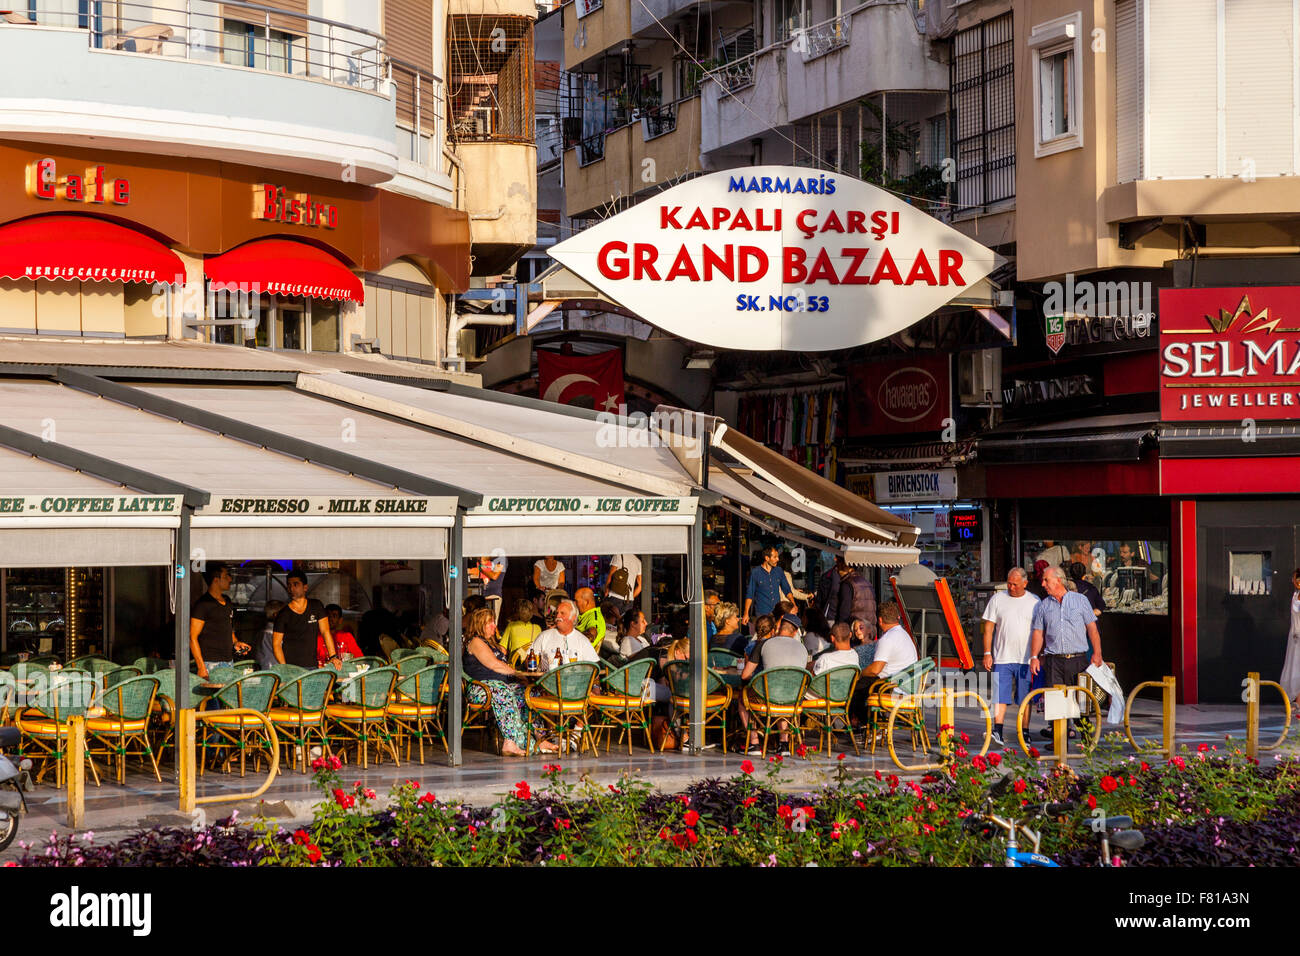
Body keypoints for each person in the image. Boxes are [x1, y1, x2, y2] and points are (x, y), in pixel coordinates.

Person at [462, 606, 558, 756]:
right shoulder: (475, 641)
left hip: (500, 686)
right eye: (490, 623)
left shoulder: (492, 643)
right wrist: (517, 673)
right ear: (479, 624)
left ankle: (539, 737)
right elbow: (494, 664)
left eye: (494, 622)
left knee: (528, 693)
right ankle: (509, 743)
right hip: (480, 689)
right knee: (502, 691)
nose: (494, 626)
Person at [1029, 566, 1104, 740]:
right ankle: (1059, 743)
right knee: (1055, 705)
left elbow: (1092, 629)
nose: (1043, 584)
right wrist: (1034, 657)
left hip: (1077, 660)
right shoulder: (1044, 605)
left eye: (1046, 580)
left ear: (1059, 580)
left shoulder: (1080, 601)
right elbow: (1038, 633)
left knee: (1080, 704)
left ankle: (1087, 740)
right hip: (1054, 661)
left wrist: (1097, 653)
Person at [980, 568, 1040, 748]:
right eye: (1009, 583)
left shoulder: (1034, 601)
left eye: (1015, 584)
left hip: (1025, 658)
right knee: (1000, 695)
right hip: (1002, 656)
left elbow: (1039, 630)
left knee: (1025, 697)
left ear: (1024, 583)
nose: (1011, 587)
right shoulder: (997, 599)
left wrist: (1037, 655)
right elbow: (989, 628)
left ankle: (1025, 731)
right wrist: (987, 652)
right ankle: (997, 729)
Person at [739, 612, 807, 753]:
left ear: (778, 627)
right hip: (793, 700)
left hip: (767, 698)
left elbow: (745, 675)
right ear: (795, 632)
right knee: (783, 695)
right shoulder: (803, 649)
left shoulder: (764, 644)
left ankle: (754, 742)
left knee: (742, 697)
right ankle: (784, 744)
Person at [189, 563, 251, 680]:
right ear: (216, 580)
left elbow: (227, 628)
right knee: (214, 697)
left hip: (228, 661)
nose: (230, 579)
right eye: (226, 575)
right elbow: (192, 637)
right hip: (210, 663)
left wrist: (236, 643)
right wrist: (201, 667)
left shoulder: (227, 601)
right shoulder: (203, 605)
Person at [274, 570, 340, 670]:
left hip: (312, 665)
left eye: (296, 584)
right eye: (289, 585)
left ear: (305, 587)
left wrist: (333, 656)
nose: (291, 588)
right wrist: (284, 668)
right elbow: (276, 644)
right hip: (291, 668)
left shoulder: (316, 606)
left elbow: (325, 631)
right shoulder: (283, 614)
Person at [532, 599, 599, 670]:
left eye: (562, 613)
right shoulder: (544, 636)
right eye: (557, 613)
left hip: (574, 680)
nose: (558, 616)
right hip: (548, 679)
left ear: (573, 617)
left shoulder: (582, 640)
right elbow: (529, 659)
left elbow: (594, 665)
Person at [861, 602, 918, 682]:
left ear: (880, 620)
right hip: (907, 684)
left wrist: (860, 674)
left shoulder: (887, 639)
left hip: (890, 687)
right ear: (898, 618)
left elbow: (875, 670)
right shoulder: (904, 634)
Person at [825, 557, 877, 637]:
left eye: (838, 564)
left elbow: (843, 615)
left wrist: (838, 634)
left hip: (855, 634)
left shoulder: (847, 584)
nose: (836, 569)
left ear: (844, 565)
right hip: (869, 633)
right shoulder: (867, 582)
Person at [742, 546, 791, 630]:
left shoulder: (779, 571)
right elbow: (750, 594)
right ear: (767, 558)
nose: (778, 559)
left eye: (777, 556)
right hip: (762, 613)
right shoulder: (755, 572)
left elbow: (787, 589)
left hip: (776, 612)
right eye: (775, 557)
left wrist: (793, 604)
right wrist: (746, 613)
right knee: (763, 637)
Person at [1281, 569, 1300, 705]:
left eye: (1294, 578)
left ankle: (1299, 701)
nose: (1292, 581)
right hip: (1294, 637)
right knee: (1293, 666)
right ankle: (1296, 700)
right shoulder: (1295, 595)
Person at [255, 600, 285, 671]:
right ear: (276, 614)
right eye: (284, 613)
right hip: (272, 669)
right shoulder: (271, 633)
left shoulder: (262, 632)